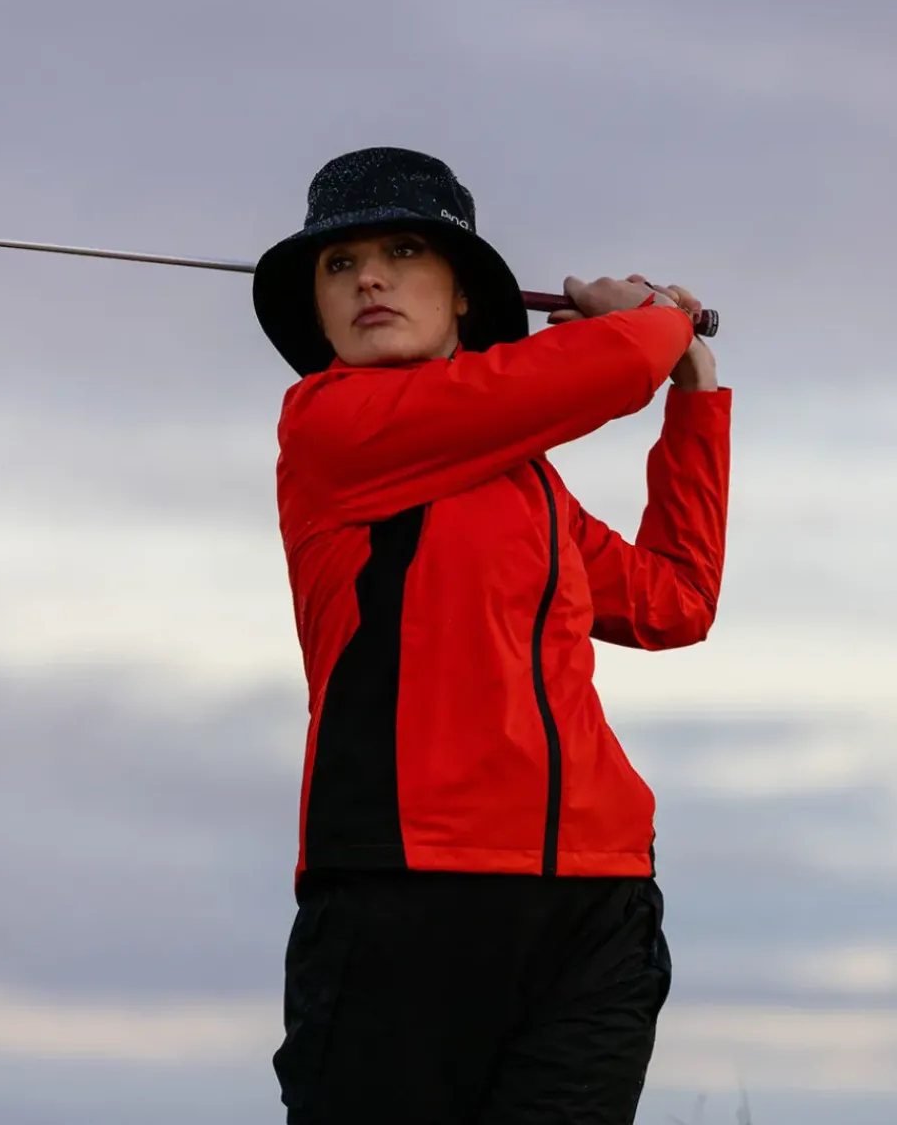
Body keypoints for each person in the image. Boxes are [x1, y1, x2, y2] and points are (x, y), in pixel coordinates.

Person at [251, 147, 731, 1125]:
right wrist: (653, 321)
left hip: (594, 906)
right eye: (339, 264)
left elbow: (674, 599)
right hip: (401, 895)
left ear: (464, 292)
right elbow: (604, 369)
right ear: (319, 308)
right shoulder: (328, 427)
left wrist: (694, 391)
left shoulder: (529, 485)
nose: (369, 278)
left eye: (401, 251)